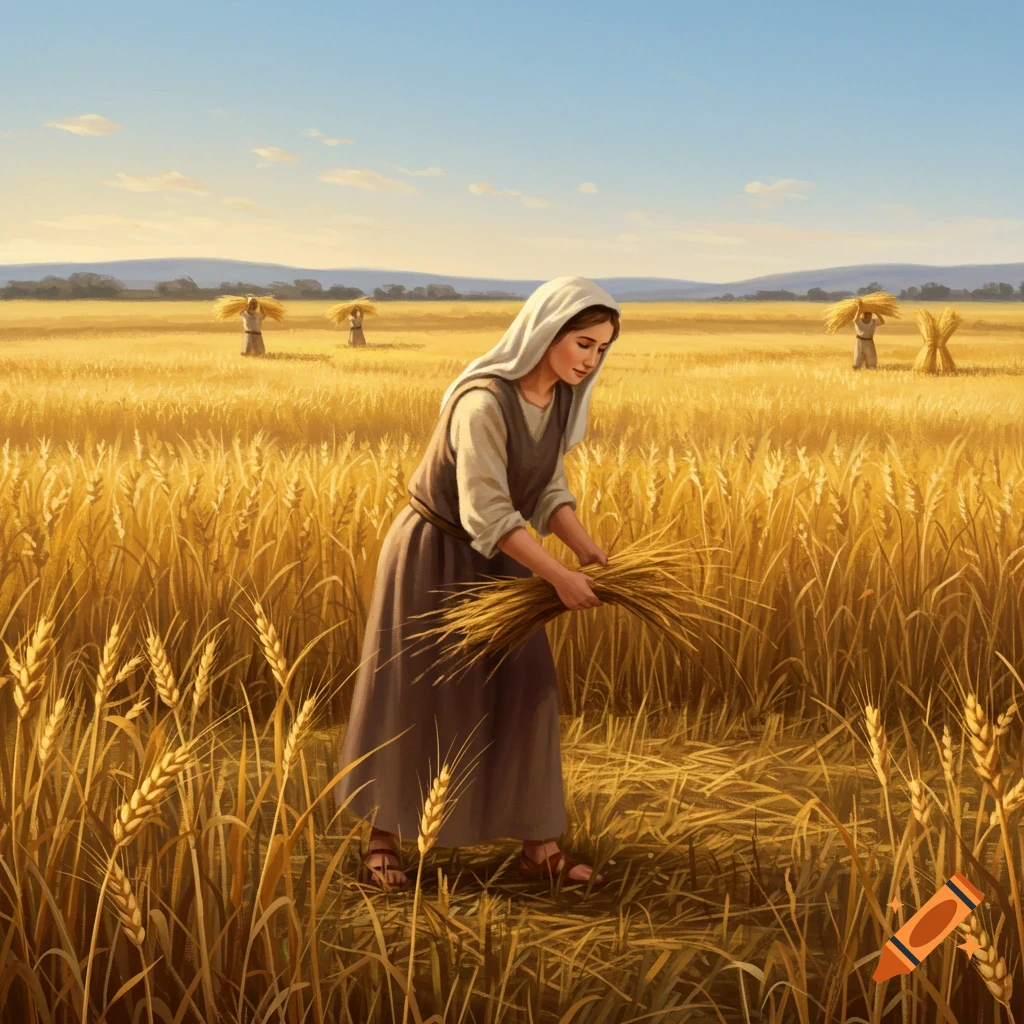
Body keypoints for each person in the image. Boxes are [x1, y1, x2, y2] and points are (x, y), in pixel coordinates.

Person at [335, 277, 620, 890]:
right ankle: (382, 838)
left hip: (502, 557)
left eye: (602, 349)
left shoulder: (559, 400)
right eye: (583, 343)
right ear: (545, 333)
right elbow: (485, 511)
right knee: (416, 692)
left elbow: (543, 486)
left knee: (526, 686)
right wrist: (561, 578)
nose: (591, 359)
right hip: (435, 555)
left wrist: (583, 545)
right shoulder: (483, 403)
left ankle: (537, 844)